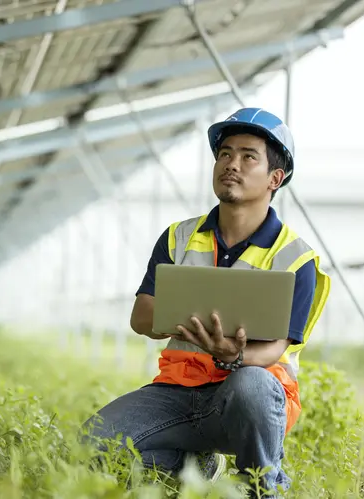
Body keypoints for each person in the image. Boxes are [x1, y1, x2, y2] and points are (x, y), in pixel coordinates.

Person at [81, 107, 331, 496]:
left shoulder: (296, 259)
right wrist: (188, 324)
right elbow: (141, 317)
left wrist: (231, 356)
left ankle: (264, 489)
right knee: (90, 446)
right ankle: (191, 466)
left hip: (248, 399)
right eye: (225, 154)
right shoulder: (178, 237)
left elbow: (275, 350)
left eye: (249, 156)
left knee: (252, 385)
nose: (232, 164)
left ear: (274, 178)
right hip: (178, 392)